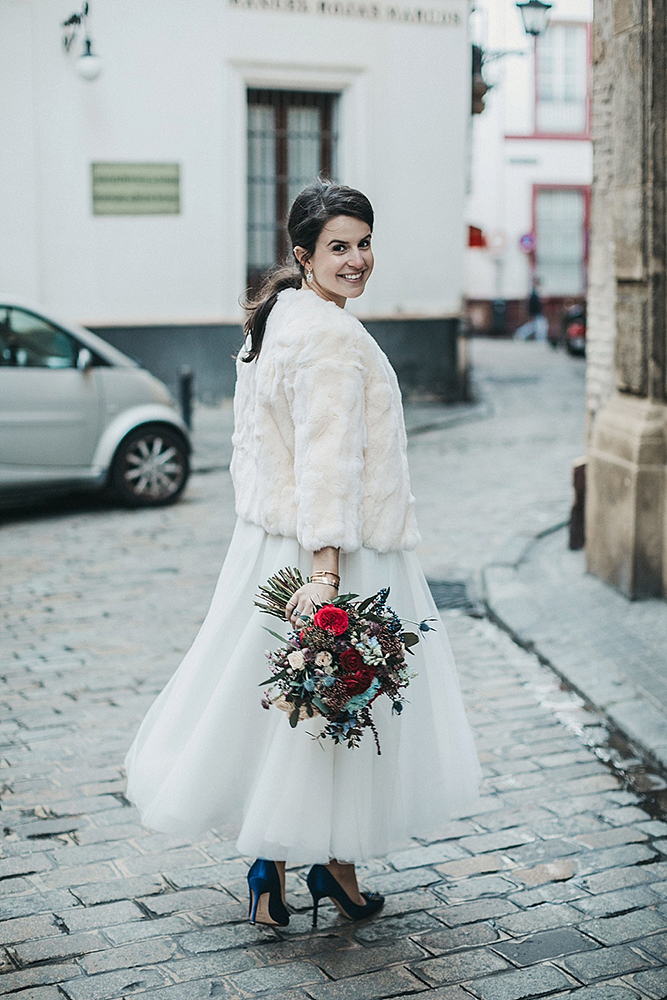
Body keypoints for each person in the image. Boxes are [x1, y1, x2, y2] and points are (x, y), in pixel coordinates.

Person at [124, 180, 481, 929]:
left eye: (363, 243)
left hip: (268, 547)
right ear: (303, 255)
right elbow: (327, 465)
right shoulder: (328, 338)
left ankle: (274, 867)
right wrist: (326, 577)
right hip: (330, 550)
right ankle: (331, 866)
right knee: (331, 711)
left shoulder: (278, 318)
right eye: (338, 248)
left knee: (288, 707)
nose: (357, 260)